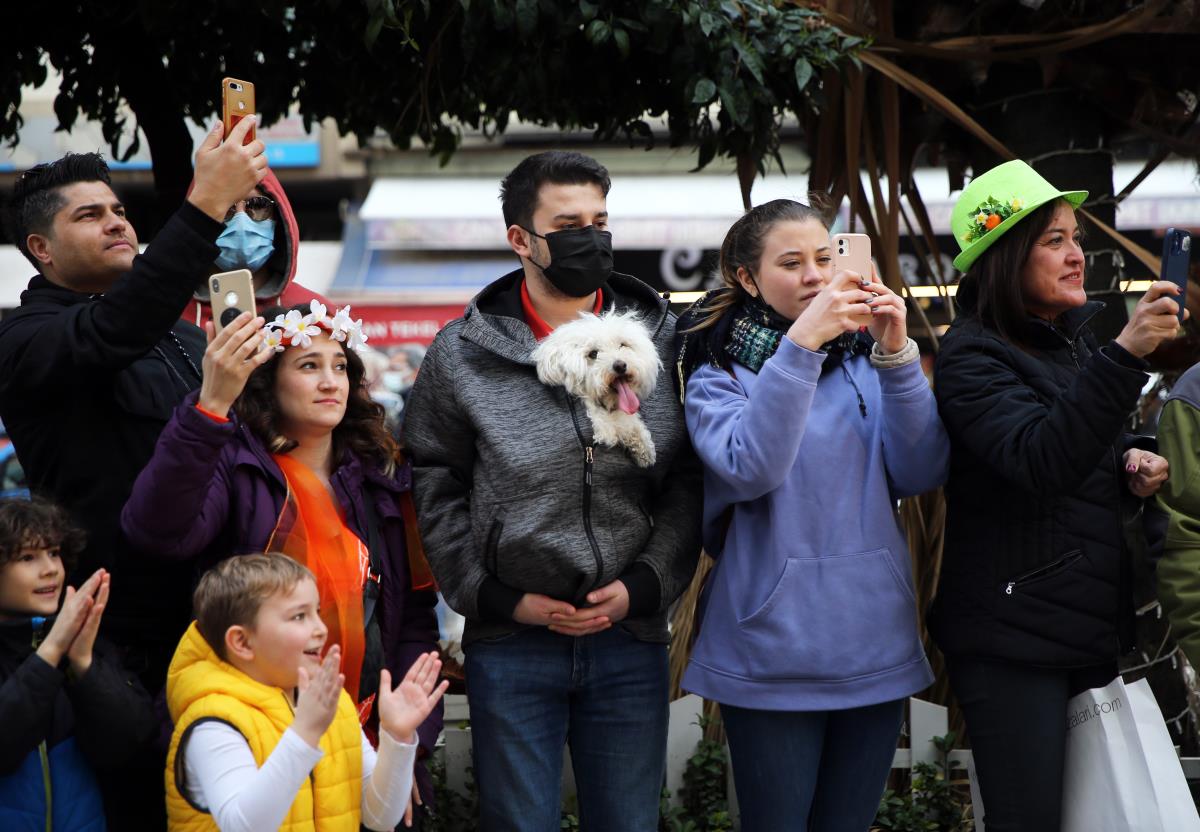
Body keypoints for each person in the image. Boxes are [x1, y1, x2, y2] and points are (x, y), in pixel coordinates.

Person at [402, 150, 703, 831]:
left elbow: (687, 478)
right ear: (521, 239)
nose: (591, 238)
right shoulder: (462, 353)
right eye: (568, 223)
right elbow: (433, 480)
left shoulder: (662, 339)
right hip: (512, 640)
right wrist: (495, 597)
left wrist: (648, 584)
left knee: (628, 822)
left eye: (600, 220)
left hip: (629, 634)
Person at [674, 199, 948, 831]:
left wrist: (898, 352)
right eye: (791, 263)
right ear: (746, 278)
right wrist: (800, 345)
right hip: (773, 648)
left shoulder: (864, 359)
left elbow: (921, 470)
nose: (815, 276)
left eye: (825, 258)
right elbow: (749, 466)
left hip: (872, 636)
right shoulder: (716, 370)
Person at [930, 159, 1180, 831]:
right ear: (1007, 257)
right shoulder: (970, 356)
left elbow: (1073, 461)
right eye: (1055, 241)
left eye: (1075, 238)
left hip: (1085, 631)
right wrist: (1124, 356)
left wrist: (1135, 463)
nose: (1077, 257)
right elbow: (1039, 460)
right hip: (1013, 645)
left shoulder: (1069, 347)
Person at [121, 302, 442, 817]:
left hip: (360, 731)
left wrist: (405, 746)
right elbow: (158, 533)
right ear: (268, 381)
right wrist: (209, 409)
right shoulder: (235, 462)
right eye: (308, 365)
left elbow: (412, 621)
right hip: (255, 725)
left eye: (339, 365)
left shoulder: (383, 478)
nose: (330, 380)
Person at [0, 118, 267, 692]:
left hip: (226, 614)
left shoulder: (184, 336)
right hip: (121, 640)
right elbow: (117, 327)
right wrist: (205, 202)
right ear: (40, 249)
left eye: (118, 211)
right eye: (89, 215)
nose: (117, 223)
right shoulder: (27, 339)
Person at [165, 552, 447, 832]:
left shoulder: (329, 706)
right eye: (299, 616)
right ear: (241, 641)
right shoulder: (213, 724)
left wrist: (396, 739)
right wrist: (305, 734)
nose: (321, 629)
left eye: (318, 612)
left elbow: (380, 817)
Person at [0, 496, 156, 831]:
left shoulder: (86, 641)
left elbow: (132, 743)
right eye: (27, 557)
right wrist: (52, 650)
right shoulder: (59, 639)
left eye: (54, 552)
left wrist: (85, 665)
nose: (50, 569)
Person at [182, 171, 332, 327]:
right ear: (198, 217)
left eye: (258, 205)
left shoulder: (318, 316)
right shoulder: (166, 317)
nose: (241, 221)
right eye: (223, 206)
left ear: (278, 216)